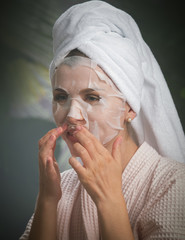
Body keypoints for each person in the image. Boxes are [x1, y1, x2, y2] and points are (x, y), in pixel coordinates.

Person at [20, 1, 185, 240]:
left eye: (92, 97)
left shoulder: (173, 184)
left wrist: (110, 201)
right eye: (61, 96)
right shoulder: (61, 187)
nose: (72, 114)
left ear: (130, 108)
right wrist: (47, 200)